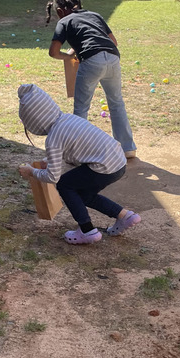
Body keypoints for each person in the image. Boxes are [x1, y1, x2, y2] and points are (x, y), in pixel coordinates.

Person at [17, 83, 140, 245]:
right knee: (84, 195)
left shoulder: (53, 138)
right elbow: (76, 150)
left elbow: (53, 177)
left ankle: (87, 230)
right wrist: (51, 161)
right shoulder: (68, 118)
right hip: (117, 161)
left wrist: (31, 172)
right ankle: (125, 216)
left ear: (34, 121)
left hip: (104, 166)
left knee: (65, 185)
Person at [45, 0, 137, 159]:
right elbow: (113, 41)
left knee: (81, 108)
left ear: (59, 11)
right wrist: (79, 49)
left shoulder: (64, 22)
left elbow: (53, 52)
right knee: (117, 103)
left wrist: (67, 56)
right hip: (113, 58)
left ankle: (77, 152)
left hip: (91, 61)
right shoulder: (95, 15)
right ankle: (127, 148)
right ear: (78, 4)